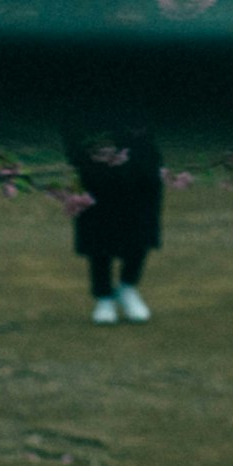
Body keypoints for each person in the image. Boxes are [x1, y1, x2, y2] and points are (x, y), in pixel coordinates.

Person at [64, 126, 164, 325]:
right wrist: (83, 152)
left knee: (141, 226)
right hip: (96, 156)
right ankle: (104, 296)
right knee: (98, 229)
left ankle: (128, 286)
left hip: (140, 157)